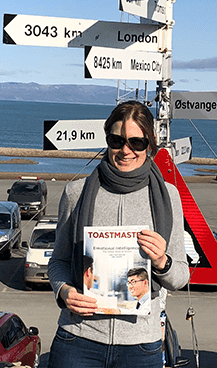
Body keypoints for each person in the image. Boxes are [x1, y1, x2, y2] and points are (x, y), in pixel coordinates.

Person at [47, 100, 189, 368]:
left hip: (140, 345)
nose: (126, 150)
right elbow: (59, 261)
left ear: (151, 143)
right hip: (78, 339)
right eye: (116, 140)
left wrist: (162, 262)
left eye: (136, 142)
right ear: (107, 140)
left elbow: (180, 276)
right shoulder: (76, 193)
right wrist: (64, 291)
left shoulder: (168, 196)